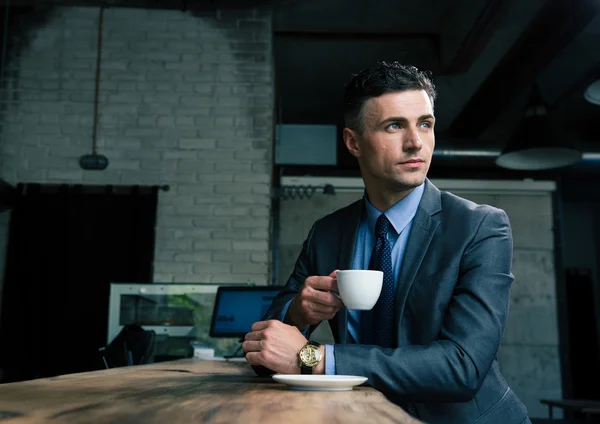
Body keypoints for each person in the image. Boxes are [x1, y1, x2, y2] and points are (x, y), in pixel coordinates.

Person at [242, 61, 530, 424]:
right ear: (353, 142)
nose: (416, 143)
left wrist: (315, 358)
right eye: (394, 126)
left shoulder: (480, 227)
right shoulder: (327, 233)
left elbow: (462, 367)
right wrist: (299, 314)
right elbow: (262, 353)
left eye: (425, 124)